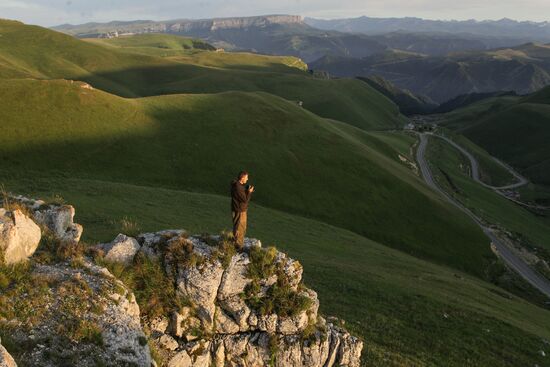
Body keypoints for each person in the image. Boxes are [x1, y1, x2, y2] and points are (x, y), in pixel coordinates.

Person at [230, 171, 254, 248]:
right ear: (242, 178)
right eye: (246, 178)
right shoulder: (238, 187)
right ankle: (238, 246)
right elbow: (245, 200)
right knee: (240, 228)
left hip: (239, 209)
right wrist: (249, 192)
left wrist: (246, 190)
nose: (247, 179)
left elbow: (241, 195)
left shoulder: (238, 185)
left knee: (240, 227)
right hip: (240, 210)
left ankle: (237, 243)